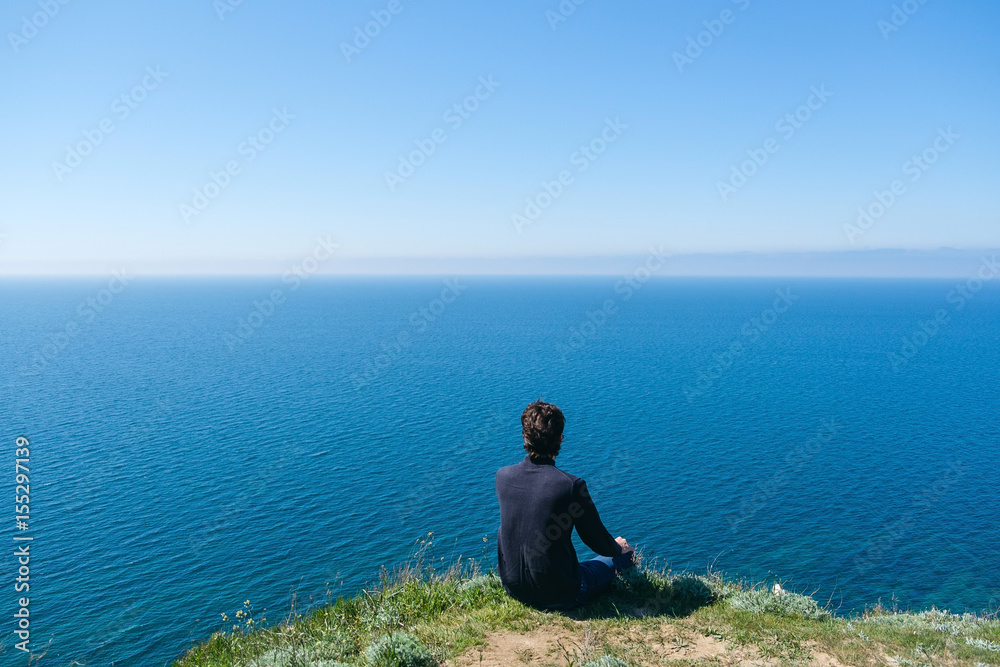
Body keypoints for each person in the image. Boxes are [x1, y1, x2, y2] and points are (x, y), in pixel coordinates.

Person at [494, 399, 635, 610]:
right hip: (564, 592)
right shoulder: (570, 486)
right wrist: (619, 548)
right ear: (560, 439)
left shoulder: (502, 477)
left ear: (525, 436)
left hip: (513, 586)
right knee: (625, 556)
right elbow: (596, 540)